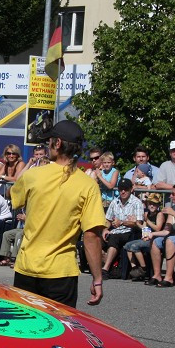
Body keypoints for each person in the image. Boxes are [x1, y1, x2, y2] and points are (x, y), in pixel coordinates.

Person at [9, 120, 105, 307]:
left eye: (49, 141)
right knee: (60, 332)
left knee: (23, 331)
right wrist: (97, 279)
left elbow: (14, 198)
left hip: (27, 268)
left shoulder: (32, 176)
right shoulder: (88, 184)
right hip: (61, 272)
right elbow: (91, 236)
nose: (47, 145)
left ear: (58, 143)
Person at [100, 178, 144, 277]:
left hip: (130, 231)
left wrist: (122, 222)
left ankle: (106, 268)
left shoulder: (136, 203)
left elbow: (138, 223)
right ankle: (106, 266)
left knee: (114, 238)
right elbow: (108, 220)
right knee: (97, 239)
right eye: (120, 189)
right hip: (114, 230)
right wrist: (105, 229)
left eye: (126, 189)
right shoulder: (115, 202)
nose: (123, 191)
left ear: (131, 189)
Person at [124, 193, 167, 281]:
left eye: (154, 204)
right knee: (128, 246)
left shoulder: (160, 215)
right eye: (150, 203)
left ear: (158, 205)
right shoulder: (147, 214)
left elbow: (157, 228)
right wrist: (136, 223)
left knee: (134, 246)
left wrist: (147, 220)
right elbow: (144, 228)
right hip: (148, 237)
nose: (152, 205)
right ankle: (135, 268)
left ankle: (143, 269)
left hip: (156, 239)